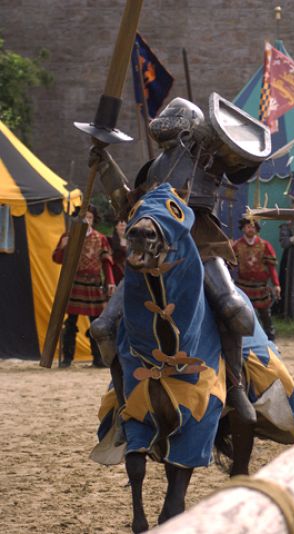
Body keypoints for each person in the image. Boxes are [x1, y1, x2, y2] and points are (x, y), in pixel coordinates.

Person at [89, 97, 262, 423]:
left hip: (200, 243)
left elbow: (243, 165)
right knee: (102, 326)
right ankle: (124, 400)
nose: (167, 119)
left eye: (175, 116)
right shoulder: (153, 167)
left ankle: (236, 386)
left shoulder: (206, 158)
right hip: (157, 247)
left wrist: (223, 142)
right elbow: (128, 206)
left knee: (234, 311)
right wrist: (105, 165)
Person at [51, 205, 114, 368]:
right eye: (83, 216)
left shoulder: (101, 238)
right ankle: (67, 358)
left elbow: (106, 263)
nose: (86, 220)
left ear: (94, 219)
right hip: (75, 282)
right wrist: (63, 246)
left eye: (90, 217)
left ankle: (98, 358)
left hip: (93, 284)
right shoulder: (69, 236)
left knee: (96, 322)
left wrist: (110, 281)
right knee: (71, 322)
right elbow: (57, 258)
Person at [232, 216, 280, 340]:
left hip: (261, 287)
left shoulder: (265, 245)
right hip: (243, 287)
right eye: (248, 226)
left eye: (253, 227)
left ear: (257, 229)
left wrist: (276, 284)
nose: (250, 229)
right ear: (243, 228)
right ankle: (246, 341)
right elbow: (229, 265)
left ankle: (270, 340)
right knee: (244, 315)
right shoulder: (236, 246)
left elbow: (271, 267)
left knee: (265, 316)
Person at [109, 218, 127, 285]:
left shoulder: (131, 241)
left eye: (124, 226)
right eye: (121, 225)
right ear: (116, 226)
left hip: (128, 273)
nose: (123, 228)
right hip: (115, 273)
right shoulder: (110, 240)